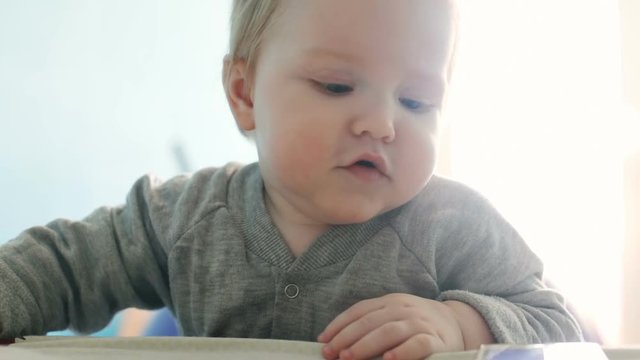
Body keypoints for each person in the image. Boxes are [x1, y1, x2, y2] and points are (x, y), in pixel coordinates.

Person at [0, 0, 583, 359]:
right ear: (244, 93)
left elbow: (563, 329)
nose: (382, 123)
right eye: (336, 86)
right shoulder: (179, 218)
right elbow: (59, 266)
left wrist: (459, 323)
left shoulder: (453, 225)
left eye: (416, 100)